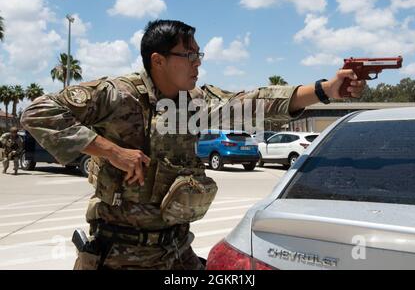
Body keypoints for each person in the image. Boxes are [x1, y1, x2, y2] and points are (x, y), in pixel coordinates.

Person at [21, 19, 366, 270]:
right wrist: (111, 150)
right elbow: (38, 112)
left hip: (177, 251)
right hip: (121, 255)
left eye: (198, 55)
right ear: (158, 60)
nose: (198, 62)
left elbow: (255, 102)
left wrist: (324, 90)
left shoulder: (194, 102)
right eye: (189, 55)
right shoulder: (116, 94)